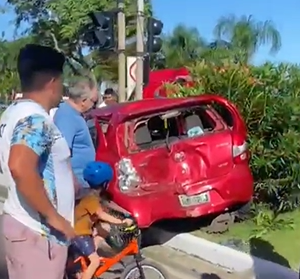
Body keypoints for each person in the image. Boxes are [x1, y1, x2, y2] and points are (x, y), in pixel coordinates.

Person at [0, 44, 76, 279]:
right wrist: (56, 219)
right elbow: (20, 167)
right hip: (38, 234)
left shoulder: (11, 113)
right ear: (52, 81)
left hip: (22, 226)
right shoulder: (35, 119)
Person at [72, 161, 133, 279]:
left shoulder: (90, 193)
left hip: (81, 229)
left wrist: (126, 213)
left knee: (104, 229)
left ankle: (88, 258)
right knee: (95, 262)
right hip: (79, 234)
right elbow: (101, 214)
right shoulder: (91, 198)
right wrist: (121, 222)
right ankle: (90, 263)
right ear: (105, 183)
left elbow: (108, 203)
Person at [53, 77, 98, 195]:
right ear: (83, 100)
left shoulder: (73, 115)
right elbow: (61, 152)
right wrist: (72, 180)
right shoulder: (67, 117)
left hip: (80, 182)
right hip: (75, 184)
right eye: (94, 101)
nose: (94, 106)